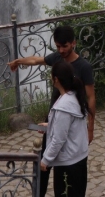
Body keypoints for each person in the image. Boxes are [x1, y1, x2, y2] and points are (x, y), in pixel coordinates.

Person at [8, 26, 96, 196]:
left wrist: (90, 128)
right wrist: (18, 62)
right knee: (44, 168)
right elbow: (36, 60)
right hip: (55, 118)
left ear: (73, 44)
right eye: (58, 47)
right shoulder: (57, 58)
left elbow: (91, 98)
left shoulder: (84, 67)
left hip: (66, 120)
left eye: (64, 46)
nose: (61, 50)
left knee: (58, 163)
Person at [41, 60, 90, 197]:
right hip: (79, 158)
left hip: (68, 164)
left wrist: (45, 160)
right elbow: (70, 126)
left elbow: (59, 139)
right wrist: (50, 126)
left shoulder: (63, 106)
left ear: (55, 79)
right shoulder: (74, 96)